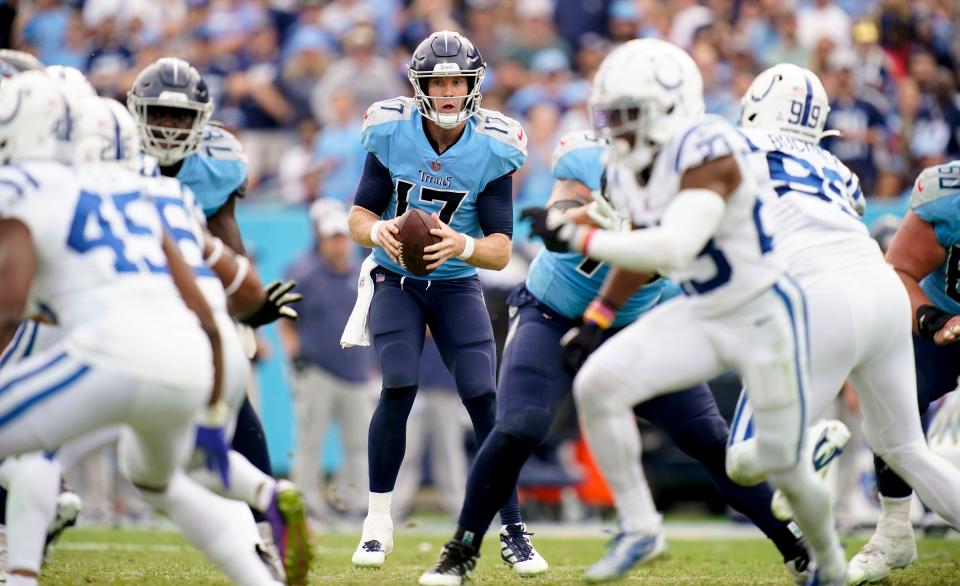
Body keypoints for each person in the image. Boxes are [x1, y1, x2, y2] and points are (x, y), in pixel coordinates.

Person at [417, 121, 815, 585]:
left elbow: (652, 264)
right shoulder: (589, 157)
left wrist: (616, 233)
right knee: (518, 426)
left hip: (633, 323)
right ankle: (461, 549)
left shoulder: (694, 179)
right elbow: (558, 215)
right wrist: (577, 217)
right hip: (552, 312)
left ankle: (795, 546)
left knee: (708, 436)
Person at [523, 41, 846, 585]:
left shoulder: (711, 146)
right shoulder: (629, 169)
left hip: (763, 315)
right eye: (613, 115)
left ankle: (829, 564)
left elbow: (673, 247)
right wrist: (598, 318)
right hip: (704, 310)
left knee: (769, 467)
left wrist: (581, 234)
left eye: (631, 115)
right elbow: (644, 253)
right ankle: (640, 527)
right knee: (599, 385)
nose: (619, 130)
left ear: (670, 107)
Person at [0, 71, 276, 586]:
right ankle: (264, 534)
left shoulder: (34, 185)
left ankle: (20, 564)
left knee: (40, 451)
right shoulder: (156, 195)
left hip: (106, 348)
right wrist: (218, 377)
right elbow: (236, 292)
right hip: (194, 346)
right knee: (162, 479)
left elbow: (8, 306)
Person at [343, 30, 542, 572]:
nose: (450, 91)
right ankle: (378, 522)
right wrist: (379, 230)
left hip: (456, 283)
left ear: (473, 85)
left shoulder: (494, 147)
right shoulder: (391, 133)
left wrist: (464, 245)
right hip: (395, 282)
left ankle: (513, 529)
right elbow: (358, 217)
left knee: (483, 395)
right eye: (439, 81)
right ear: (420, 86)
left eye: (458, 81)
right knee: (401, 379)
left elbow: (501, 252)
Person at [126, 57, 283, 552]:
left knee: (235, 408)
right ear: (136, 115)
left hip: (184, 305)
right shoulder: (109, 153)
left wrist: (250, 307)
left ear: (201, 120)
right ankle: (266, 506)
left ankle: (262, 524)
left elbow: (228, 245)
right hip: (125, 296)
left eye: (180, 117)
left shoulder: (216, 166)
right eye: (160, 115)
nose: (169, 128)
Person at [843, 159, 960, 583]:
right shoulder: (948, 197)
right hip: (946, 321)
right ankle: (894, 529)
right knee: (890, 395)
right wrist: (931, 321)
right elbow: (897, 272)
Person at [279, 199, 373, 522]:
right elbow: (287, 321)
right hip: (317, 369)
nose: (339, 243)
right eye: (332, 236)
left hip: (357, 370)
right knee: (310, 441)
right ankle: (306, 502)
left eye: (342, 235)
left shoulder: (364, 271)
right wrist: (294, 356)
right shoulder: (302, 273)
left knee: (360, 444)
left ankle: (356, 502)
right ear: (319, 237)